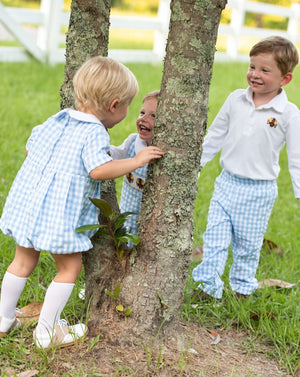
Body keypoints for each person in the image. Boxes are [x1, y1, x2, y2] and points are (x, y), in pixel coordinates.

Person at [0, 56, 164, 348]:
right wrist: (135, 160)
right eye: (129, 105)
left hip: (29, 205)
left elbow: (30, 149)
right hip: (59, 215)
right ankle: (47, 331)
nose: (128, 112)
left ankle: (3, 320)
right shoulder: (94, 131)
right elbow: (98, 170)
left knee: (22, 261)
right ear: (114, 105)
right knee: (69, 268)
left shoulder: (58, 118)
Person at [192, 36, 300, 300]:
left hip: (259, 192)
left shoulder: (288, 113)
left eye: (265, 70)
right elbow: (215, 135)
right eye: (252, 67)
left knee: (247, 246)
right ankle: (207, 288)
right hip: (227, 183)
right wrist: (196, 167)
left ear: (285, 79)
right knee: (214, 239)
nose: (255, 74)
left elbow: (297, 158)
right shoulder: (235, 100)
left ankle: (241, 287)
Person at [110, 90, 159, 247]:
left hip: (154, 227)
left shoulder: (171, 155)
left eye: (153, 116)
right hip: (127, 219)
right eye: (142, 112)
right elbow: (115, 154)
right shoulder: (133, 142)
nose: (143, 118)